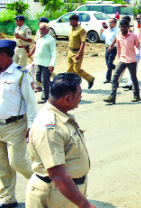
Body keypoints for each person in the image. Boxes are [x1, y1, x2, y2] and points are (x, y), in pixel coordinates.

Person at [26, 73, 96, 208]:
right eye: (79, 94)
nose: (81, 97)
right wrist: (85, 204)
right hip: (54, 195)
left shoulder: (60, 115)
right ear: (67, 98)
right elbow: (58, 175)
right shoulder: (49, 128)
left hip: (64, 193)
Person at [0, 40, 37, 208]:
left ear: (3, 56)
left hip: (15, 126)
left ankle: (47, 184)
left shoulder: (21, 74)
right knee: (2, 165)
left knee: (17, 162)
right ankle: (8, 198)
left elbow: (30, 102)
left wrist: (32, 126)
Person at [103, 19, 141, 104]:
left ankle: (136, 96)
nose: (123, 28)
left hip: (131, 60)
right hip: (122, 60)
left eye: (124, 27)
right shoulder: (118, 36)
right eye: (121, 27)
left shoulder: (133, 36)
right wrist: (110, 47)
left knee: (134, 78)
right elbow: (115, 41)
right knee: (115, 77)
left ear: (128, 27)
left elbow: (138, 46)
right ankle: (112, 97)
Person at [29, 23, 57, 104]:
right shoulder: (39, 38)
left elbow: (53, 53)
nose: (40, 31)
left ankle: (45, 97)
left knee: (45, 80)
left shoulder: (50, 39)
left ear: (47, 30)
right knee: (38, 78)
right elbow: (37, 51)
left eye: (43, 29)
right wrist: (34, 61)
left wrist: (52, 64)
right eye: (40, 29)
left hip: (47, 64)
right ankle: (53, 85)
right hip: (39, 62)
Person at [67, 14, 95, 89]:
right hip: (70, 52)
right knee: (69, 70)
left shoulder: (81, 30)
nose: (70, 23)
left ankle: (90, 78)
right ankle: (70, 86)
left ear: (77, 21)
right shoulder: (71, 29)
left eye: (72, 21)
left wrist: (79, 53)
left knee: (77, 70)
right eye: (70, 21)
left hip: (77, 52)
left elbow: (83, 42)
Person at [100, 18, 118, 84]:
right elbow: (102, 38)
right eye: (109, 22)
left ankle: (108, 78)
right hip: (107, 47)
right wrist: (101, 33)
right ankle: (117, 69)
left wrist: (113, 45)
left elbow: (117, 40)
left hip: (113, 48)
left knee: (110, 62)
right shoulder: (107, 30)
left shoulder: (117, 31)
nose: (110, 23)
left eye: (111, 22)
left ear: (115, 23)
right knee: (107, 63)